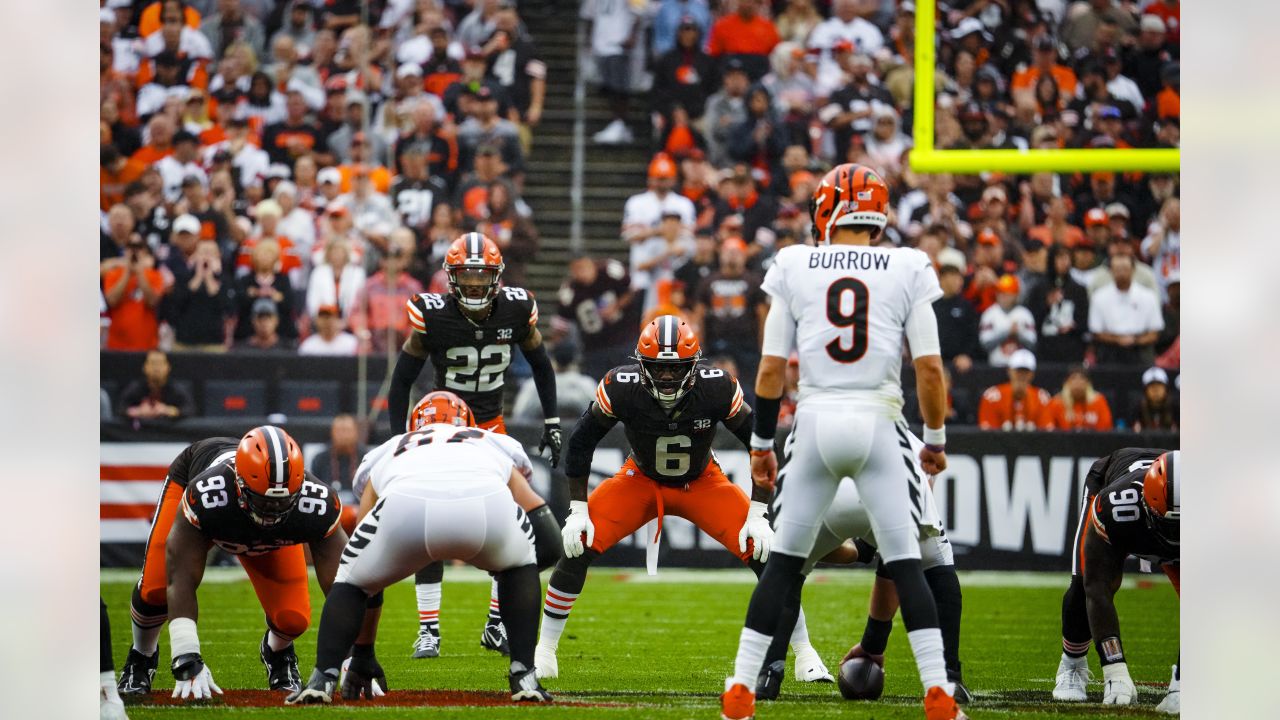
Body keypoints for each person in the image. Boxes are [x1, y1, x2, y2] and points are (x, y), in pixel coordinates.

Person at [723, 164, 965, 720]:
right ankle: (940, 692)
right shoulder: (908, 265)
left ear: (826, 210)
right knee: (906, 562)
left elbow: (769, 370)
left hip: (814, 421)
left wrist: (761, 442)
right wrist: (935, 440)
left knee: (783, 565)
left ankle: (741, 687)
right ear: (878, 214)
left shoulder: (794, 262)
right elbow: (929, 369)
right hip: (881, 421)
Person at [537, 316, 828, 685]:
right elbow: (581, 441)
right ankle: (544, 651)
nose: (668, 378)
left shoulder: (717, 386)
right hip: (640, 479)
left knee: (765, 552)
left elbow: (760, 447)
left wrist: (758, 513)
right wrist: (578, 510)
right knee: (578, 547)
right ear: (642, 366)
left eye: (676, 370)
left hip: (701, 480)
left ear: (694, 366)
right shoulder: (621, 385)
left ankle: (806, 653)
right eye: (659, 369)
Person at [288, 392, 557, 704]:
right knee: (519, 563)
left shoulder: (390, 448)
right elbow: (538, 516)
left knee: (351, 579)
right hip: (484, 506)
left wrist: (363, 651)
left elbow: (363, 540)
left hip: (405, 507)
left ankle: (323, 678)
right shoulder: (489, 440)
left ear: (414, 424)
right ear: (467, 421)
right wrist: (510, 569)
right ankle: (524, 674)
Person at [388, 232, 561, 659]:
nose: (475, 285)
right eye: (466, 276)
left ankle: (496, 622)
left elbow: (541, 364)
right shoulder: (434, 317)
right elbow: (401, 380)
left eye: (482, 276)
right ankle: (429, 629)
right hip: (442, 426)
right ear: (451, 278)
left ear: (497, 277)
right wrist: (399, 438)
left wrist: (553, 420)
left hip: (493, 426)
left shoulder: (517, 310)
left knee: (516, 522)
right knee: (428, 515)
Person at [116, 427, 371, 699]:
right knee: (155, 589)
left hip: (259, 534)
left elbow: (344, 584)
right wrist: (186, 654)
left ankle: (278, 653)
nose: (272, 512)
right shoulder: (208, 494)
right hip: (209, 504)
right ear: (239, 484)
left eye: (282, 501)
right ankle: (141, 658)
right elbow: (180, 578)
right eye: (264, 501)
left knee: (292, 619)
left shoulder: (316, 501)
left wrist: (354, 655)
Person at [755, 428, 969, 704]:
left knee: (785, 571)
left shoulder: (810, 415)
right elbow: (897, 562)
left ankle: (768, 676)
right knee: (936, 564)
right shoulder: (896, 424)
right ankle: (948, 679)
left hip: (827, 493)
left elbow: (821, 537)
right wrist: (873, 645)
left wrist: (858, 552)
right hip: (893, 492)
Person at [1052, 450, 1180, 714]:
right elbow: (1097, 588)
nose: (1176, 536)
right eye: (1170, 526)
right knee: (1082, 581)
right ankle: (1072, 664)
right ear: (1148, 504)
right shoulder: (1115, 505)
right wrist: (1115, 669)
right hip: (1114, 481)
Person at [691, 237, 767, 399]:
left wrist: (762, 347)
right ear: (720, 254)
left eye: (737, 252)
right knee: (712, 390)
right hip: (716, 343)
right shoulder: (708, 282)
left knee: (748, 391)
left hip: (747, 344)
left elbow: (762, 316)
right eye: (729, 252)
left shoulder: (753, 281)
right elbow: (699, 315)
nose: (732, 256)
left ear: (744, 255)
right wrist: (700, 345)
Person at [550, 255, 638, 381]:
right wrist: (556, 352)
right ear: (572, 271)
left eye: (585, 268)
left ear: (593, 264)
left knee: (630, 386)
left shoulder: (610, 272)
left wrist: (617, 305)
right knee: (596, 389)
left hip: (624, 340)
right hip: (594, 349)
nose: (583, 273)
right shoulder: (570, 292)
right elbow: (560, 324)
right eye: (577, 270)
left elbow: (632, 291)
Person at [583, 0, 644, 144]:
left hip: (618, 44)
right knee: (609, 88)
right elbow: (589, 16)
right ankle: (619, 125)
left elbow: (639, 12)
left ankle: (620, 124)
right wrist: (589, 41)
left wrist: (633, 35)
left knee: (619, 89)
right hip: (601, 44)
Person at [1089, 253, 1164, 365]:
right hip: (1110, 349)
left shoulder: (1148, 296)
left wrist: (1135, 340)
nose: (1121, 273)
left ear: (1133, 270)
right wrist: (1118, 340)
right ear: (1110, 271)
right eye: (1117, 269)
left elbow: (1155, 332)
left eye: (1125, 269)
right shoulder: (1099, 296)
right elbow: (1096, 331)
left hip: (1140, 348)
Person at [1026, 243, 1090, 364]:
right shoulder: (1038, 288)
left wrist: (1073, 327)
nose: (1065, 262)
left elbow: (1085, 322)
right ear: (1051, 260)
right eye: (1060, 257)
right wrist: (1046, 304)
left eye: (1067, 257)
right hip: (1045, 351)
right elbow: (1030, 320)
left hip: (1071, 350)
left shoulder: (1078, 290)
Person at [103, 238, 166, 351]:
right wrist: (127, 272)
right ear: (125, 251)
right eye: (130, 247)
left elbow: (152, 302)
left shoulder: (155, 275)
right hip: (117, 345)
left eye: (139, 248)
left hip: (147, 344)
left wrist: (140, 273)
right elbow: (112, 301)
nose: (134, 251)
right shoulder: (113, 274)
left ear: (145, 252)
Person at [167, 239, 229, 351]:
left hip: (213, 343)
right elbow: (175, 305)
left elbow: (226, 308)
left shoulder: (224, 279)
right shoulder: (183, 277)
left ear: (218, 256)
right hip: (184, 341)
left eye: (210, 253)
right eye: (203, 252)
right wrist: (197, 278)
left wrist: (209, 278)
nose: (206, 257)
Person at [512, 342, 598, 422]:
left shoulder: (533, 385)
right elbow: (600, 419)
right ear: (576, 360)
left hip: (541, 437)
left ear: (551, 360)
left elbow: (518, 418)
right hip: (579, 437)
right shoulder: (587, 385)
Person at [977, 349, 1051, 431]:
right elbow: (987, 436)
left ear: (1032, 374)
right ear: (1009, 371)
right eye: (1018, 371)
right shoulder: (992, 397)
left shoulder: (1042, 398)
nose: (1022, 375)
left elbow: (1046, 436)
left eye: (1026, 371)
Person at [932, 248, 980, 374]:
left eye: (959, 276)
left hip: (958, 365)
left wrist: (966, 355)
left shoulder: (966, 306)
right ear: (942, 277)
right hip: (934, 361)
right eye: (953, 276)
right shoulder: (930, 305)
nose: (958, 281)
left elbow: (973, 335)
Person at [117, 350, 196, 422]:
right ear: (144, 368)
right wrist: (138, 411)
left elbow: (190, 409)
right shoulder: (135, 388)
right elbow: (121, 408)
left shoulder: (177, 389)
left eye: (160, 364)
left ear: (168, 367)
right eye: (153, 363)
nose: (156, 368)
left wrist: (168, 410)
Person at [978, 274, 1037, 366]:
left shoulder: (1024, 314)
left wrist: (1017, 335)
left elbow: (1032, 345)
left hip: (1020, 367)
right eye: (1000, 292)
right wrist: (1007, 333)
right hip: (996, 366)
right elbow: (985, 345)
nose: (1002, 296)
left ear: (1016, 295)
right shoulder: (990, 314)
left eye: (1007, 293)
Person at [310, 414, 365, 504]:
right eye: (339, 431)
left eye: (347, 430)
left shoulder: (366, 458)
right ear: (332, 432)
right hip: (328, 507)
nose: (343, 435)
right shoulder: (320, 459)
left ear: (356, 432)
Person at [1043, 365, 1114, 431]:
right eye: (1073, 378)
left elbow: (1106, 430)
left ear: (1088, 383)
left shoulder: (1098, 401)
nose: (1078, 382)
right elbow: (1049, 430)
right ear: (1066, 382)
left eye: (1082, 378)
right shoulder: (1057, 402)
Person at [1134, 366, 1179, 432]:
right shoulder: (1137, 408)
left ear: (1166, 389)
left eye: (1159, 386)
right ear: (1145, 390)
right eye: (1152, 387)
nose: (1156, 391)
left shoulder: (1176, 408)